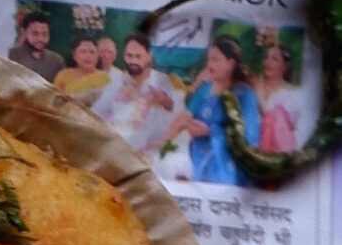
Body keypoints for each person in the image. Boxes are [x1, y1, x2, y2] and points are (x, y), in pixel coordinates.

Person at [171, 36, 262, 186]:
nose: (210, 65)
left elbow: (249, 137)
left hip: (229, 171)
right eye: (209, 60)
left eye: (215, 60)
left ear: (231, 63)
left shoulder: (245, 95)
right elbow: (188, 117)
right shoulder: (205, 91)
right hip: (198, 159)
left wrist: (211, 131)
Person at [92, 35, 178, 158]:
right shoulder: (116, 81)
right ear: (124, 56)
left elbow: (173, 108)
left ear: (149, 56)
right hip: (120, 144)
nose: (133, 61)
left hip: (152, 146)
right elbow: (98, 112)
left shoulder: (160, 80)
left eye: (138, 56)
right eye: (130, 56)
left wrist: (162, 100)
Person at [252, 39, 302, 154]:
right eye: (266, 57)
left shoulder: (291, 94)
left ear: (285, 66)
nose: (268, 62)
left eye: (274, 59)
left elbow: (288, 128)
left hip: (274, 153)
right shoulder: (254, 86)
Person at [54, 35, 111, 104]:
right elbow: (55, 101)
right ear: (74, 55)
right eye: (83, 52)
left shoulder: (104, 78)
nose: (88, 56)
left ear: (98, 56)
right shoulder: (63, 75)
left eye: (92, 52)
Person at [8, 13, 64, 80]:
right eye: (35, 34)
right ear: (24, 32)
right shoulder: (12, 56)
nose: (40, 39)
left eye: (45, 34)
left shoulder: (56, 61)